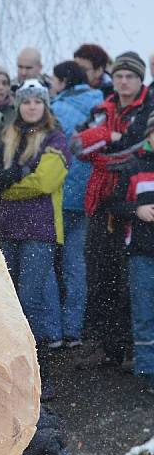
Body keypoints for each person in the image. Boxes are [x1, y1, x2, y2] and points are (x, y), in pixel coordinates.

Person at [71, 51, 154, 370]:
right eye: (118, 75)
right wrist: (107, 135)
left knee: (133, 279)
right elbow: (78, 146)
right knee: (100, 275)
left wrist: (106, 150)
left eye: (130, 76)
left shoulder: (148, 108)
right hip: (102, 201)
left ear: (140, 78)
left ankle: (136, 350)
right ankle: (110, 349)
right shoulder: (102, 108)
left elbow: (136, 148)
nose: (123, 81)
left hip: (137, 198)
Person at [0, 79, 70, 399]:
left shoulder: (56, 138)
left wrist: (9, 187)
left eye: (38, 101)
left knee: (30, 302)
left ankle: (39, 374)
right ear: (19, 105)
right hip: (7, 227)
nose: (32, 106)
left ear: (45, 105)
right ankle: (6, 372)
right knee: (5, 303)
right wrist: (2, 182)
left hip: (39, 230)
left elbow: (45, 181)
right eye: (26, 101)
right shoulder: (8, 135)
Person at [50, 61, 104, 347]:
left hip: (58, 195)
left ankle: (53, 331)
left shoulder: (56, 109)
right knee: (76, 267)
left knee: (46, 265)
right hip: (86, 197)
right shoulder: (100, 105)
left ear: (63, 81)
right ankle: (74, 330)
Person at [111, 117, 154, 392]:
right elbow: (113, 203)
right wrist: (135, 211)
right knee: (144, 311)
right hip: (141, 252)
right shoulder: (134, 166)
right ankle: (147, 369)